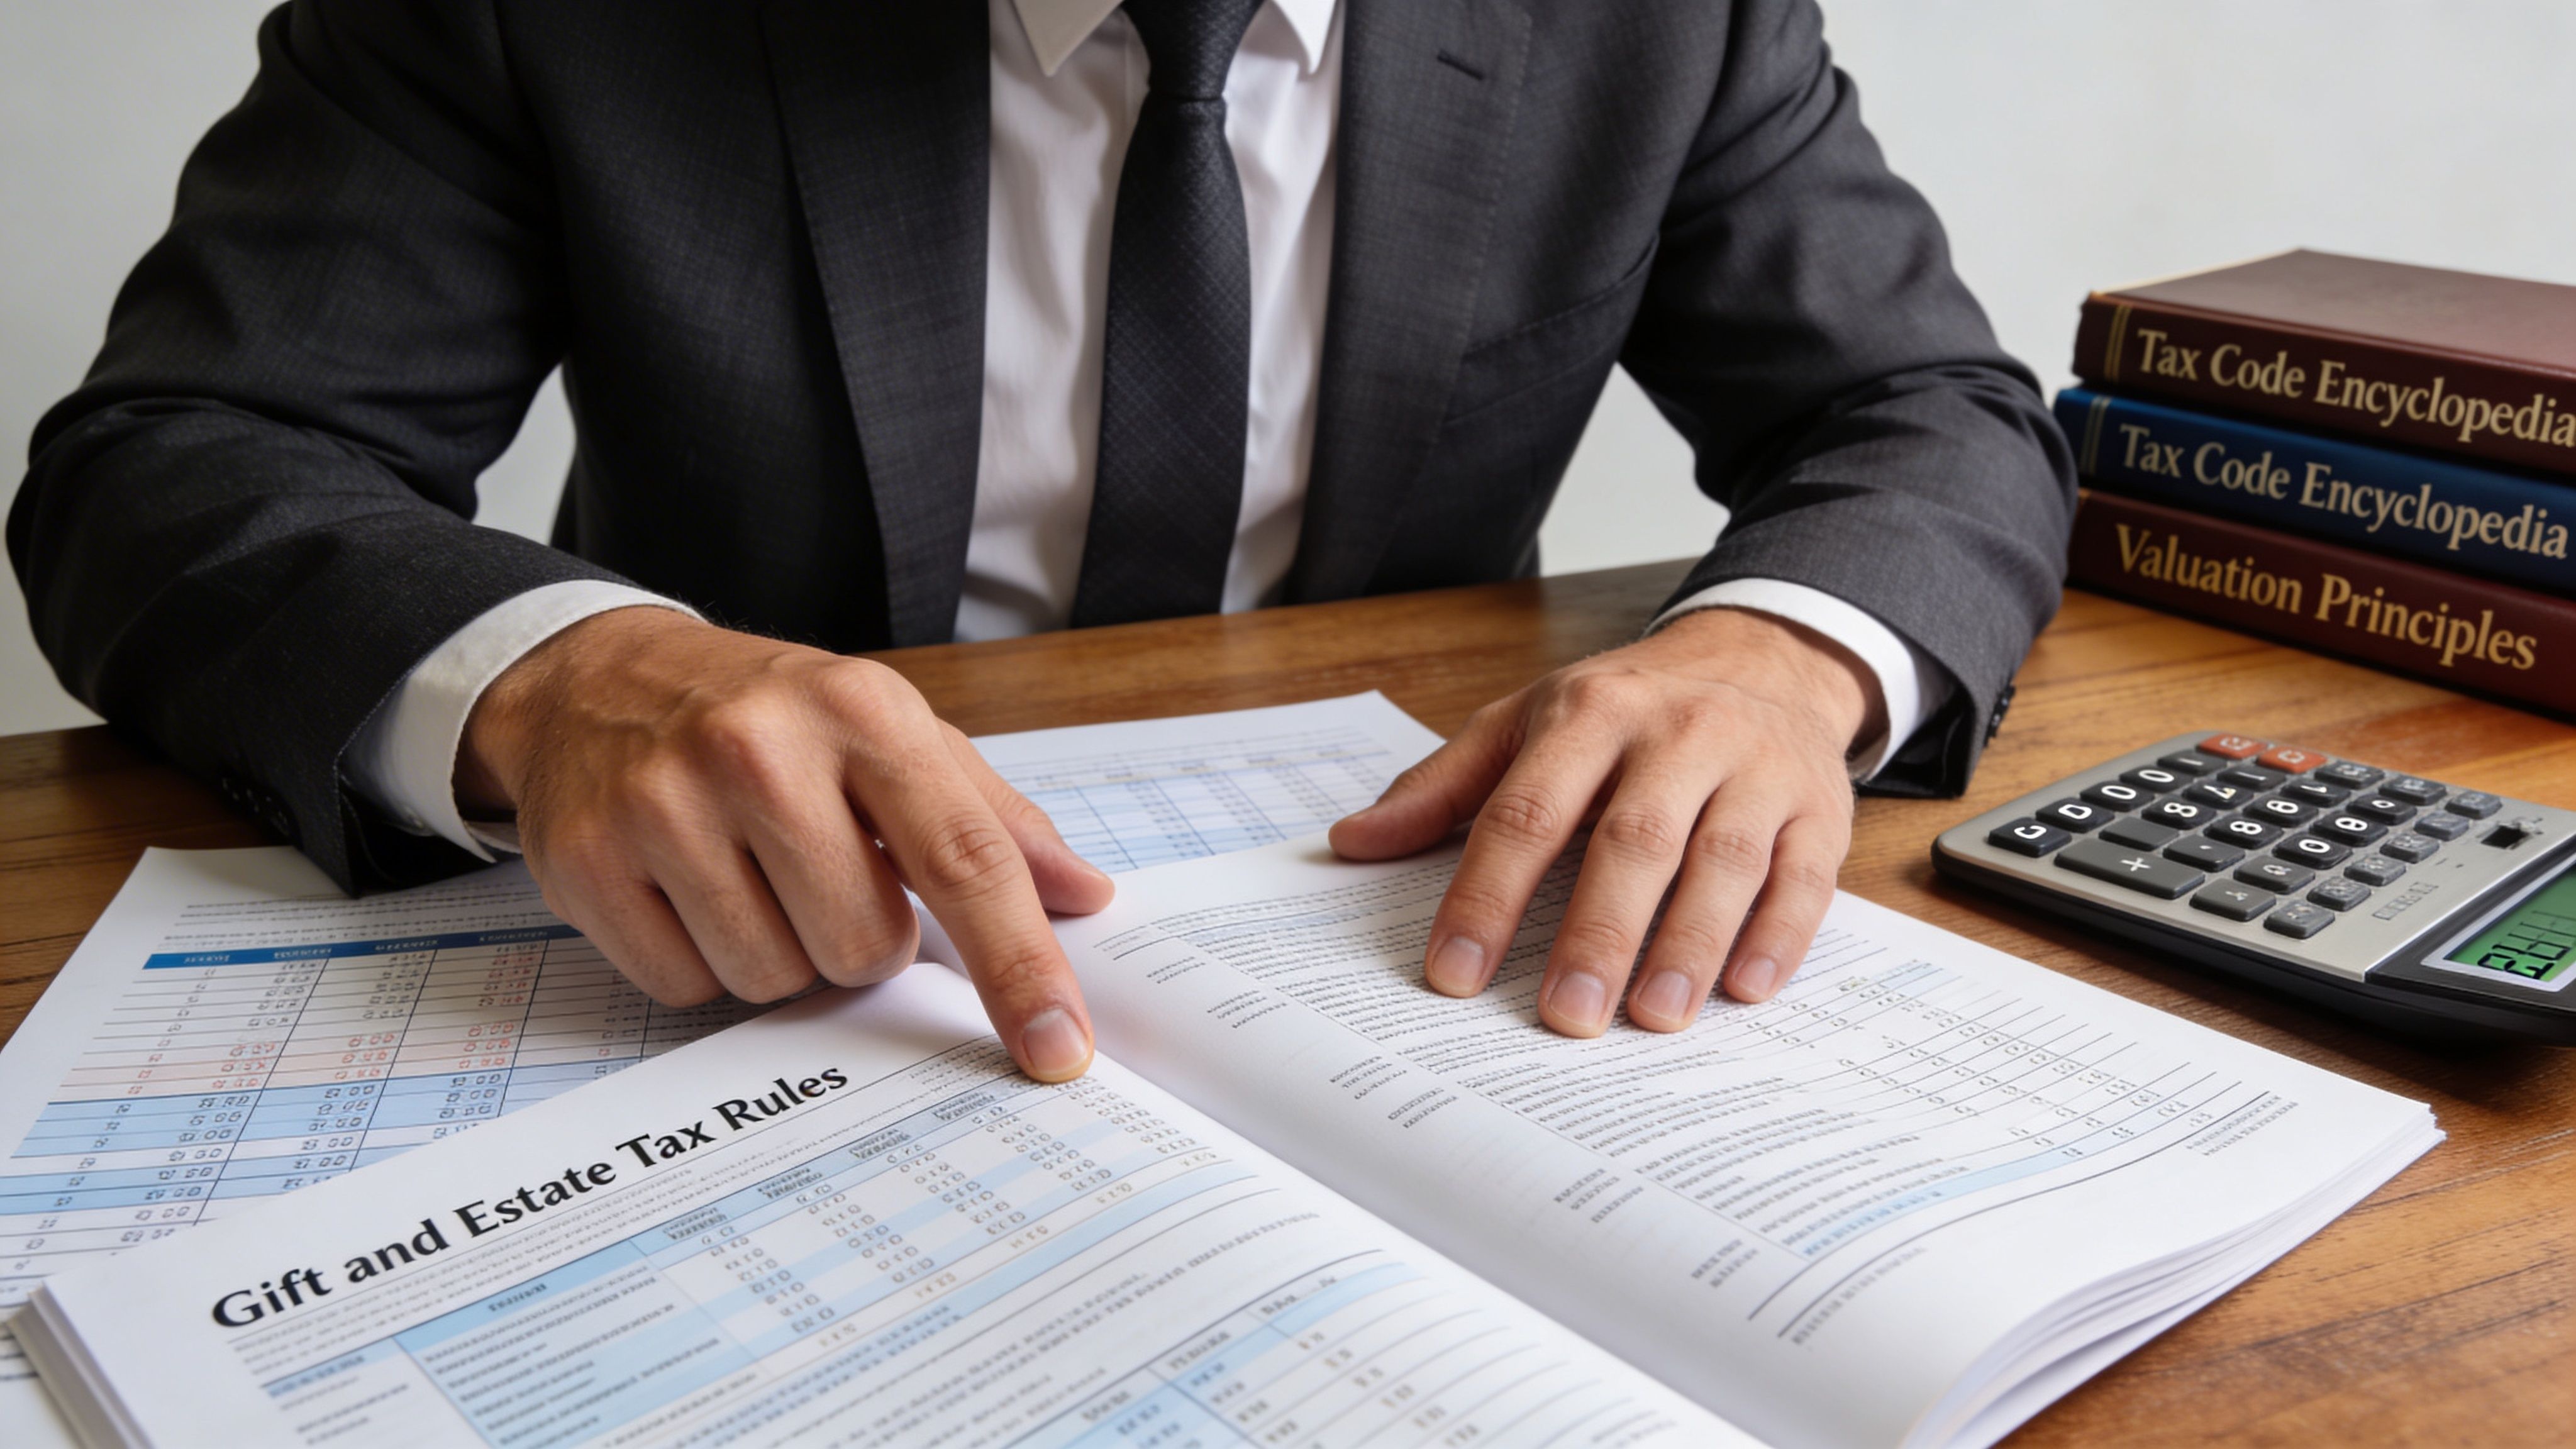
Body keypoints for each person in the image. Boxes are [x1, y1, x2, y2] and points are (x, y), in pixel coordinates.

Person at [9, 0, 2074, 1085]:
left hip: (1393, 960)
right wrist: (546, 679)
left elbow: (1931, 410)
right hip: (755, 978)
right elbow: (176, 456)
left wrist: (1791, 652)